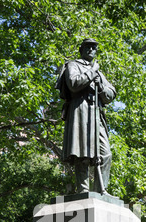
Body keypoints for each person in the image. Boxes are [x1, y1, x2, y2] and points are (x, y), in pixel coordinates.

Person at [58, 39, 116, 194]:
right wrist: (92, 72)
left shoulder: (98, 72)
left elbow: (111, 94)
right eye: (88, 47)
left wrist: (101, 86)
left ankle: (99, 191)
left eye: (94, 47)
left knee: (106, 154)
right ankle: (83, 191)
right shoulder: (73, 65)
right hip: (80, 112)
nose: (91, 49)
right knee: (82, 153)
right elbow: (73, 83)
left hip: (96, 114)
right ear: (81, 49)